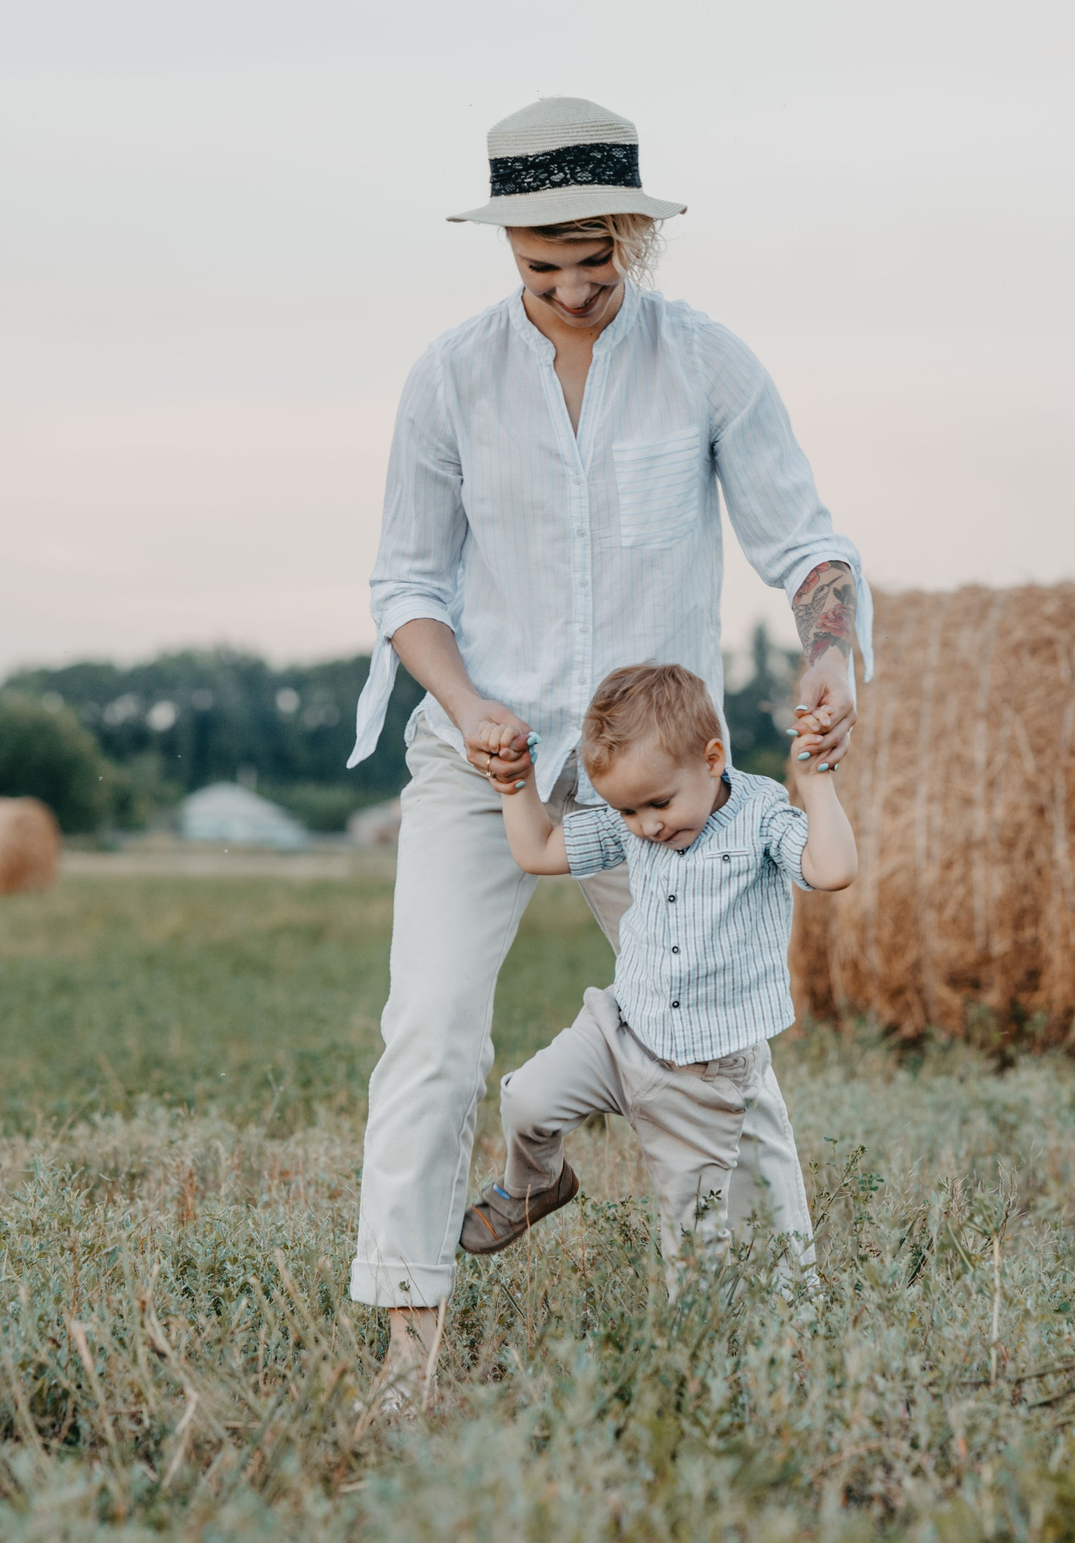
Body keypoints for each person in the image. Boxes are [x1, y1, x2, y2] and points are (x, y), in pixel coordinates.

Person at [346, 95, 870, 1408]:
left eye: (600, 258)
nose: (577, 289)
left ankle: (775, 1336)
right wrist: (465, 702)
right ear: (506, 247)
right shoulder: (449, 378)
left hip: (665, 784)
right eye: (545, 267)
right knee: (431, 1031)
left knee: (719, 1038)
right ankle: (410, 1354)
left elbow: (810, 546)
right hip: (488, 753)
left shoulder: (707, 362)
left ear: (634, 232)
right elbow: (406, 580)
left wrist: (826, 651)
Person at [458, 664, 857, 1294]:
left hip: (702, 1082)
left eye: (659, 804)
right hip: (620, 1033)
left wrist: (816, 785)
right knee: (525, 1101)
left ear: (712, 758)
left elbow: (831, 869)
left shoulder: (760, 815)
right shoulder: (635, 820)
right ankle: (537, 1183)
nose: (647, 825)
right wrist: (517, 788)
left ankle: (708, 1365)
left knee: (693, 1253)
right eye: (628, 810)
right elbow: (538, 850)